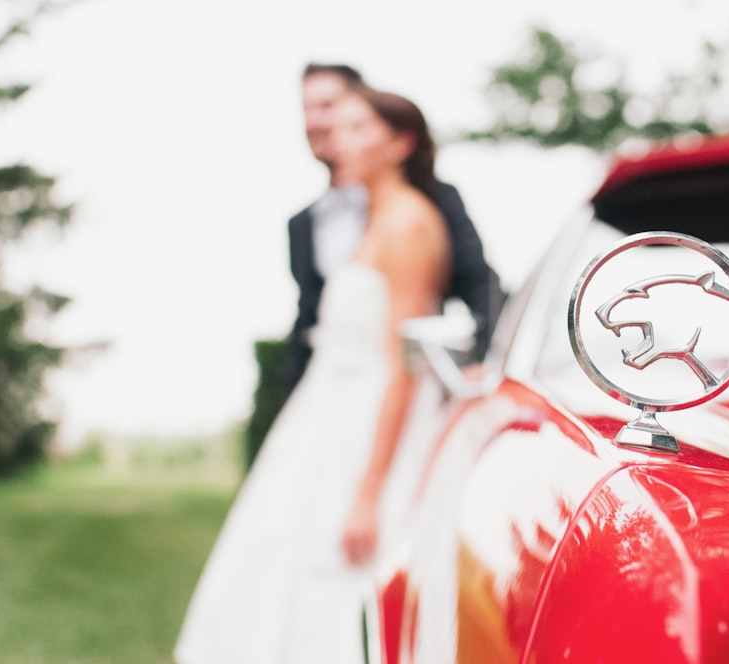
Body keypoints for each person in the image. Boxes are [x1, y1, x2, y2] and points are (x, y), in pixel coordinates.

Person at [173, 84, 452, 663]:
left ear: (400, 143)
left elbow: (405, 362)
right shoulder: (376, 219)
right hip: (326, 419)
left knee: (337, 569)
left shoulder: (408, 225)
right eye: (334, 127)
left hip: (366, 428)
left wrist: (369, 492)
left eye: (355, 129)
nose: (336, 140)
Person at [285, 62, 503, 398]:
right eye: (307, 109)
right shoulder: (302, 223)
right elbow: (310, 319)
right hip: (328, 390)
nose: (318, 122)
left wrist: (489, 361)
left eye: (328, 106)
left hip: (393, 389)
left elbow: (479, 284)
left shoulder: (428, 203)